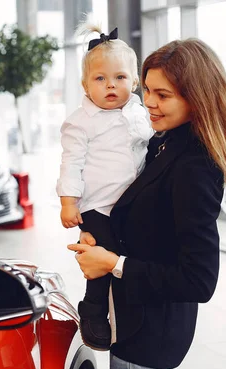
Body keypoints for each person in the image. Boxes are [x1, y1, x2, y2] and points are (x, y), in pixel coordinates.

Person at [67, 38, 226, 369]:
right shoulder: (163, 142)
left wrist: (113, 264)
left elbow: (199, 280)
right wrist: (98, 239)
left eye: (162, 95)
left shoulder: (194, 166)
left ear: (196, 98)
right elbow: (147, 217)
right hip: (135, 322)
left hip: (149, 334)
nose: (148, 101)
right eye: (147, 89)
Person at [56, 24, 154, 350]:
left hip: (133, 204)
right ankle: (93, 309)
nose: (111, 85)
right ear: (85, 85)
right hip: (97, 206)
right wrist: (68, 202)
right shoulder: (81, 121)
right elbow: (71, 162)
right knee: (103, 255)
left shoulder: (141, 113)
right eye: (100, 79)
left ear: (136, 82)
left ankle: (127, 308)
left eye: (120, 78)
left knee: (129, 256)